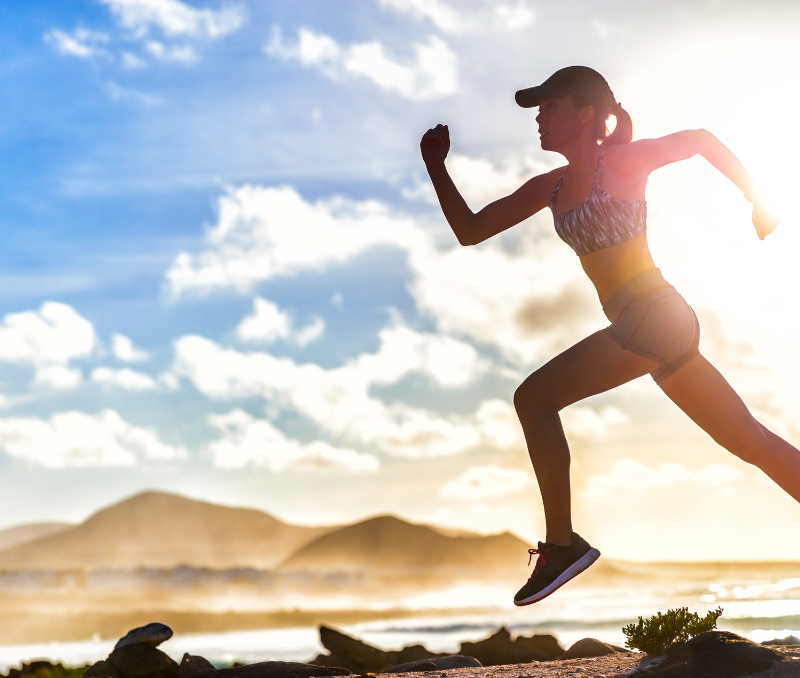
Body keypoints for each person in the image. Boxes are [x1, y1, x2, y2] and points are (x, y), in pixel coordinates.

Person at [419, 66, 798, 606]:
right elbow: (470, 231)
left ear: (586, 113)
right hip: (645, 326)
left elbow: (698, 141)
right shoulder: (549, 187)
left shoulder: (622, 160)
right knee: (754, 444)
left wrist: (758, 198)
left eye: (549, 107)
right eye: (537, 111)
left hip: (655, 316)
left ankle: (561, 544)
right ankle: (563, 545)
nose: (540, 120)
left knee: (534, 397)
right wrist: (436, 166)